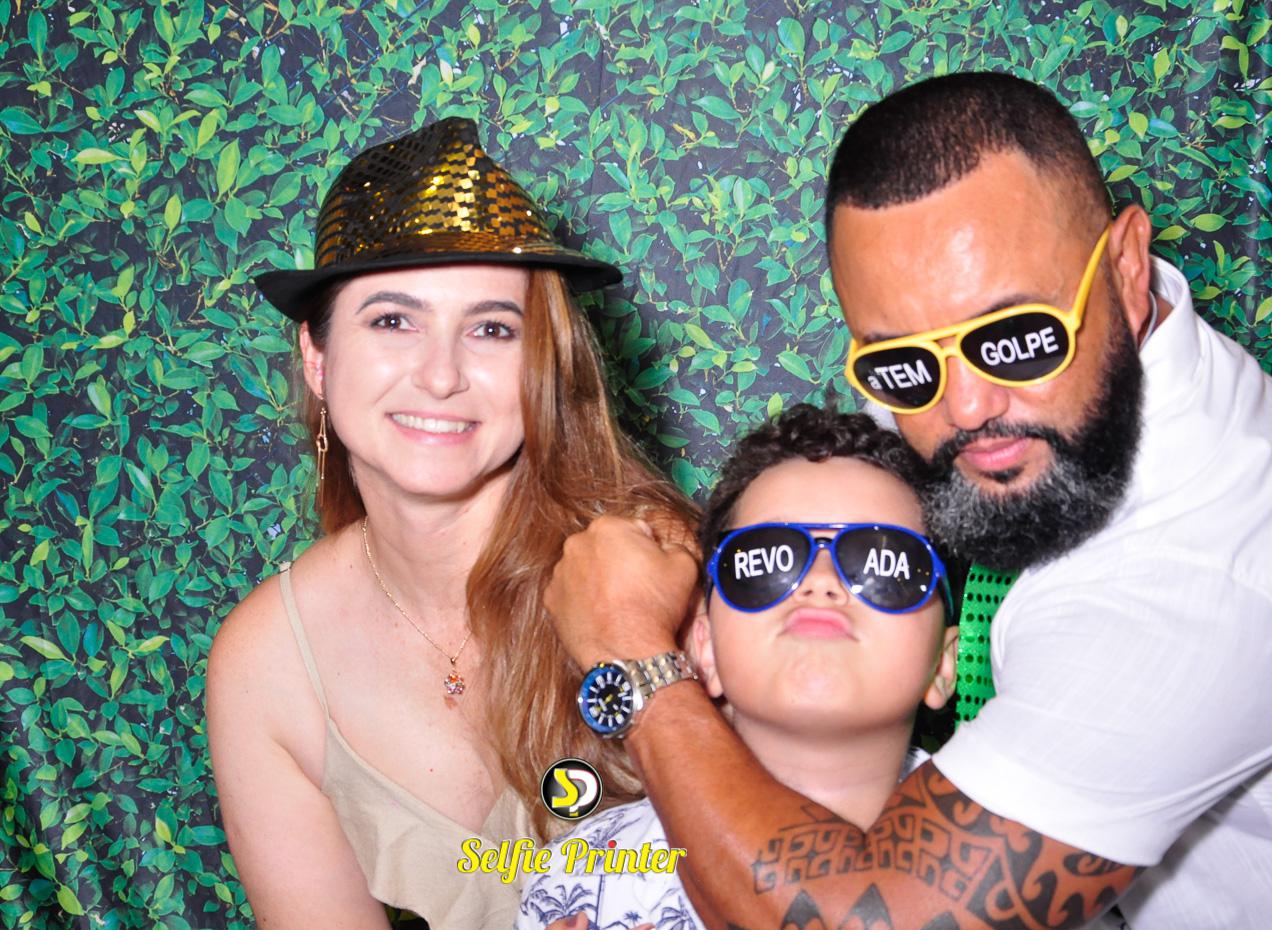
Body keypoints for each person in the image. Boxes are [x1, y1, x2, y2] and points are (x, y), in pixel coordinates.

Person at [543, 72, 1272, 928]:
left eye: (1016, 337)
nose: (966, 408)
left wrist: (631, 655)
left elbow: (865, 919)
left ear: (1127, 266)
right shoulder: (1010, 389)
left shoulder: (1201, 571)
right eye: (902, 364)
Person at [205, 117, 694, 929]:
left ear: (543, 364)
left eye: (492, 328)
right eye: (393, 320)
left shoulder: (662, 567)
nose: (440, 375)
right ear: (317, 359)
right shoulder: (268, 663)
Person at [516, 404, 959, 929]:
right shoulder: (582, 883)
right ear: (705, 648)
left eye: (883, 561)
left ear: (944, 663)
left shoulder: (1021, 849)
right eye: (767, 560)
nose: (821, 581)